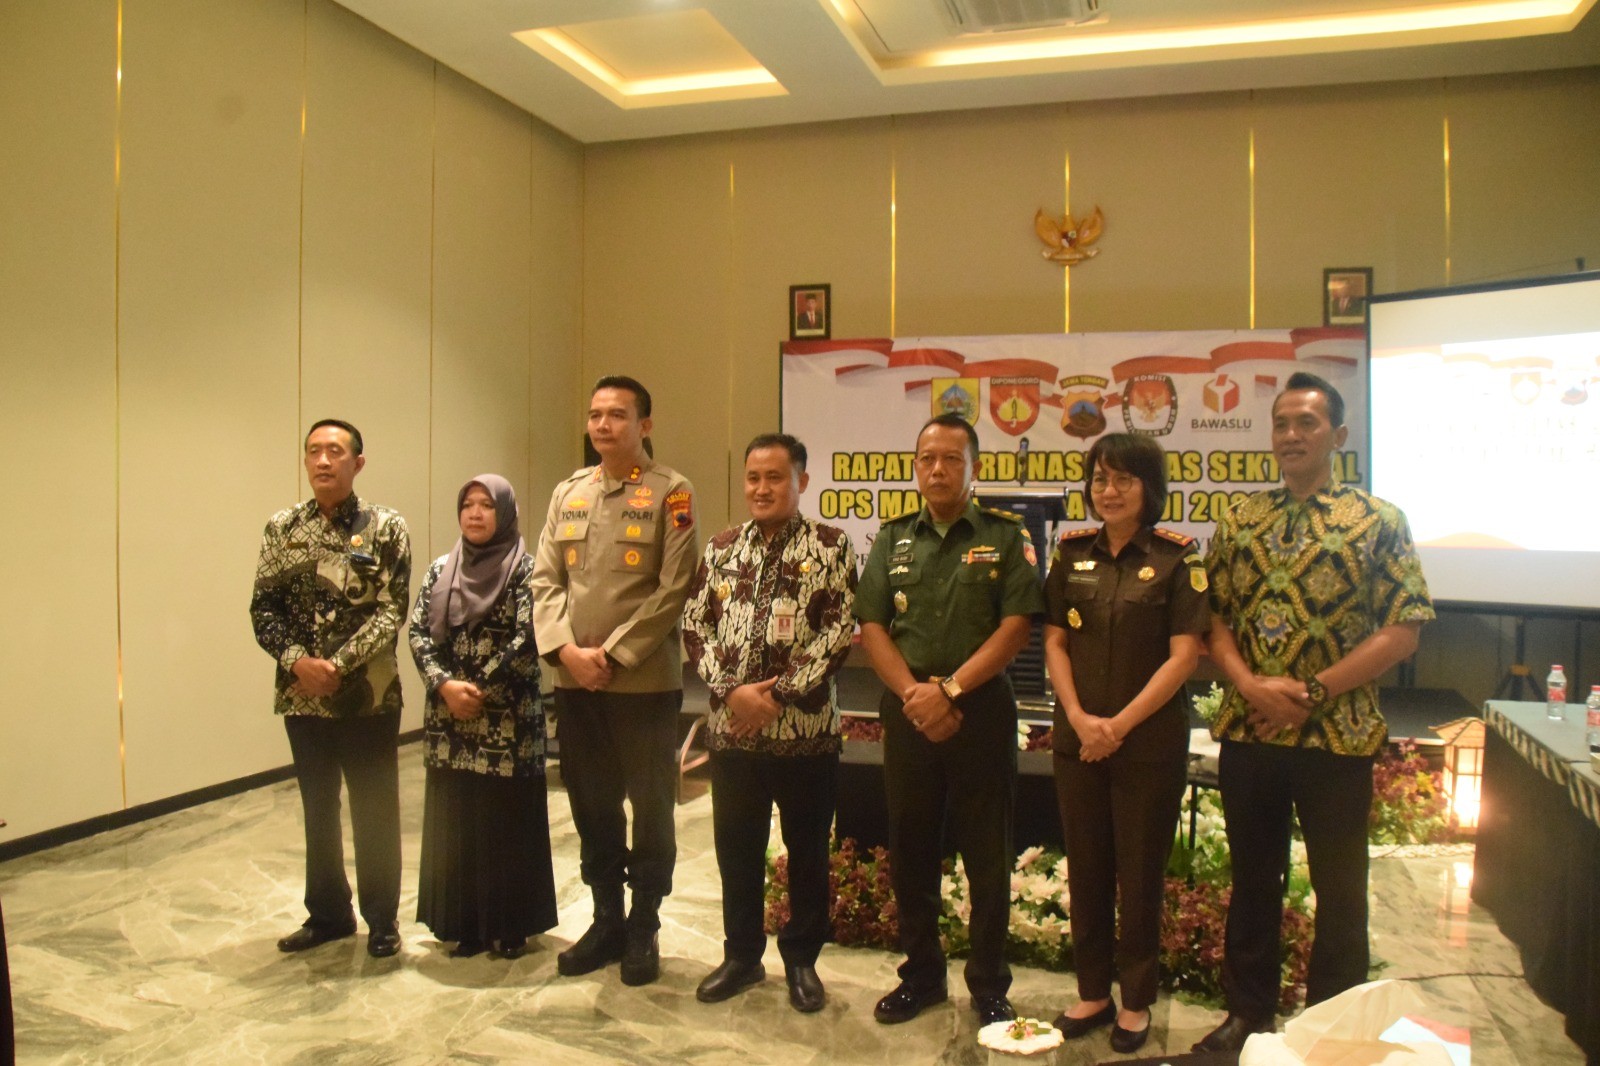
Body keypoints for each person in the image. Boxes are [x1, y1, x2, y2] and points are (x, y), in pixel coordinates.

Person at [1194, 372, 1435, 1052]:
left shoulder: (1380, 520)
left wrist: (1313, 693)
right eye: (1282, 423)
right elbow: (1215, 620)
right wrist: (1251, 686)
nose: (1291, 435)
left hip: (1338, 737)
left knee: (1340, 889)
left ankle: (1333, 1027)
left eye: (1307, 422)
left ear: (1339, 435)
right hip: (1251, 734)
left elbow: (1404, 630)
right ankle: (1247, 1014)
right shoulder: (1240, 520)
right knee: (1252, 883)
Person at [854, 413, 1044, 1026]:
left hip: (980, 710)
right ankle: (922, 976)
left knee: (987, 852)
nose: (937, 470)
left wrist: (951, 690)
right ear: (916, 467)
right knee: (911, 847)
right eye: (927, 459)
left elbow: (1017, 627)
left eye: (951, 459)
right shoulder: (892, 537)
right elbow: (873, 625)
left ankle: (988, 983)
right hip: (909, 709)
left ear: (974, 468)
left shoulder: (1005, 535)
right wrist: (917, 695)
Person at [1042, 434, 1209, 1055]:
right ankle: (1092, 992)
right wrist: (1080, 718)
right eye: (1099, 479)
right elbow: (1055, 641)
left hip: (1146, 747)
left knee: (1139, 876)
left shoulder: (1177, 559)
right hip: (1078, 742)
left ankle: (1135, 1000)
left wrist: (1117, 727)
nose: (1108, 491)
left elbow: (1184, 656)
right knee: (1086, 869)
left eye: (1123, 480)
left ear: (1149, 488)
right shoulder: (1070, 553)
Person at [530, 375, 698, 986]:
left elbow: (673, 587)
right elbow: (545, 579)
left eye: (618, 415)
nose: (603, 425)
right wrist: (566, 652)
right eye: (596, 414)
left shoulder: (672, 492)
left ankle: (643, 923)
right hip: (576, 683)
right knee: (591, 803)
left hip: (643, 684)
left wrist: (614, 655)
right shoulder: (568, 492)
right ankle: (606, 920)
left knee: (650, 808)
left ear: (644, 425)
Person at [682, 433, 857, 1013]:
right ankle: (741, 956)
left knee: (807, 853)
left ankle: (802, 960)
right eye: (754, 477)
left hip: (806, 735)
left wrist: (777, 696)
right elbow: (695, 626)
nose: (762, 488)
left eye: (775, 477)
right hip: (733, 736)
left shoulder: (831, 547)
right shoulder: (721, 548)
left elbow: (838, 633)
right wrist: (733, 694)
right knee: (736, 850)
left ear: (801, 481)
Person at [250, 419, 410, 959]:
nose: (323, 460)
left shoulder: (385, 526)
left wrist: (336, 665)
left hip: (368, 696)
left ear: (357, 462)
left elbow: (392, 610)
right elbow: (263, 609)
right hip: (303, 696)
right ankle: (328, 914)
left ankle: (382, 919)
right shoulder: (282, 528)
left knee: (374, 808)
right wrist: (298, 662)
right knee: (318, 808)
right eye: (314, 450)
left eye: (335, 451)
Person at [409, 475, 557, 960]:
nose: (474, 513)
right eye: (468, 504)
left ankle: (512, 925)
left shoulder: (527, 571)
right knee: (459, 823)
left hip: (508, 722)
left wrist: (478, 688)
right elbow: (418, 632)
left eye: (486, 505)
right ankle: (465, 925)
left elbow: (528, 636)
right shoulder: (440, 569)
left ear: (506, 513)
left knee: (506, 824)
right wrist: (445, 685)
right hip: (450, 721)